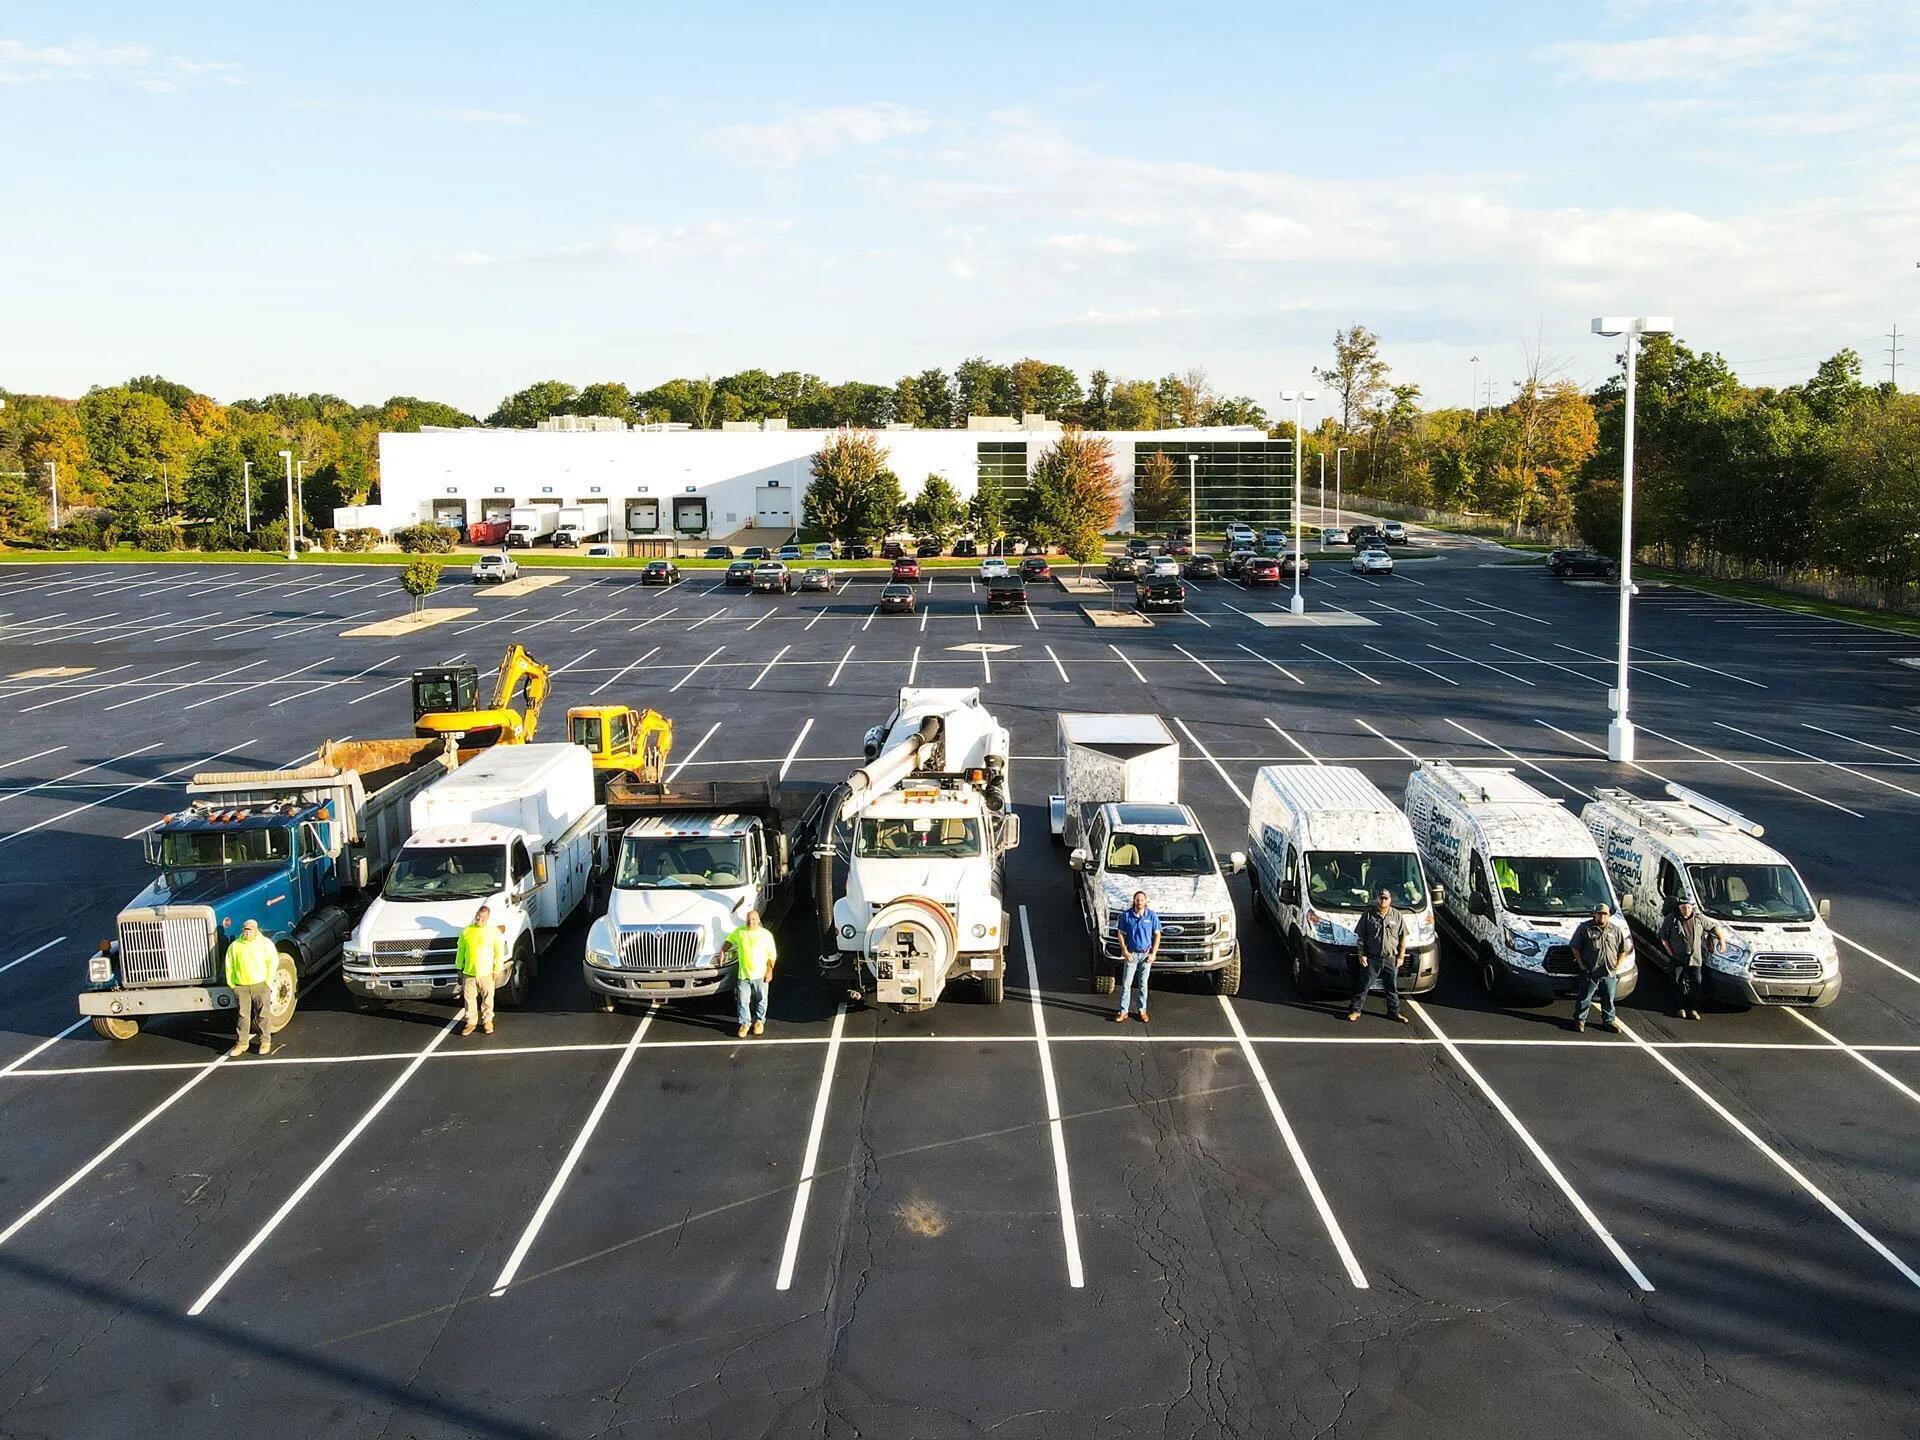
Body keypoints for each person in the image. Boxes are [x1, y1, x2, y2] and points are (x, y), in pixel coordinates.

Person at [1349, 888, 1410, 1024]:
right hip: (1372, 958)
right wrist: (1361, 954)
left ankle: (1394, 1012)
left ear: (1390, 900)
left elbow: (1403, 937)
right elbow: (1361, 937)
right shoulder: (1368, 915)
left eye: (1386, 898)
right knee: (1364, 985)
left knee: (1391, 988)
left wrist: (1401, 956)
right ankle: (1355, 1010)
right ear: (1377, 899)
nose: (1383, 901)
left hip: (1390, 959)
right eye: (1381, 898)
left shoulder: (1397, 915)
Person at [1569, 902, 1629, 1033]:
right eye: (1599, 914)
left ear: (1609, 916)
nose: (1602, 917)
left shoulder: (1616, 930)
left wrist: (1617, 967)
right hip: (1590, 971)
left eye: (1605, 914)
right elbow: (1575, 947)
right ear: (1594, 915)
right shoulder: (1585, 928)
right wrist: (1581, 964)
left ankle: (1608, 1021)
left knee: (1608, 999)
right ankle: (1580, 1021)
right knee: (1585, 998)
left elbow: (1622, 950)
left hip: (1608, 972)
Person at [225, 918, 280, 1058]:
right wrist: (232, 984)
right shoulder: (235, 946)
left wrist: (268, 982)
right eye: (245, 929)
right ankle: (242, 1043)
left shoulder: (265, 944)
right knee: (243, 1015)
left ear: (256, 930)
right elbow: (229, 965)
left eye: (250, 929)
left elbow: (273, 962)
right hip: (241, 986)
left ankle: (265, 1041)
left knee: (263, 1013)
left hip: (261, 984)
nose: (247, 932)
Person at [1660, 897, 1721, 1021]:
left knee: (1696, 983)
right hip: (1678, 958)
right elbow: (1663, 937)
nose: (1686, 910)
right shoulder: (1671, 919)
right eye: (1683, 908)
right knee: (1677, 982)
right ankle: (1680, 1008)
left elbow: (1714, 927)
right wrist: (1671, 953)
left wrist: (1722, 941)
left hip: (1695, 959)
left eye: (1688, 907)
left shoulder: (1699, 919)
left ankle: (1693, 1008)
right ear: (1679, 907)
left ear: (1692, 907)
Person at [723, 909, 777, 1038]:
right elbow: (729, 941)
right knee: (743, 1000)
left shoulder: (766, 935)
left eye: (753, 919)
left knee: (762, 999)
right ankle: (745, 1024)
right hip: (744, 975)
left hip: (760, 974)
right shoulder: (740, 932)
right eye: (748, 919)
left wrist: (769, 971)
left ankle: (759, 1021)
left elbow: (772, 955)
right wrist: (722, 951)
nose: (750, 922)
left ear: (758, 920)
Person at [455, 903, 506, 1036]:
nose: (479, 919)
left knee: (488, 998)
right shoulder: (466, 931)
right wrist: (459, 966)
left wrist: (497, 969)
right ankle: (471, 1022)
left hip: (487, 973)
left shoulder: (493, 931)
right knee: (469, 999)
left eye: (483, 918)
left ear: (487, 918)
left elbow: (499, 951)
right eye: (478, 916)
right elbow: (461, 950)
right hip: (469, 972)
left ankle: (487, 1021)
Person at [1113, 891, 1161, 1024]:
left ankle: (1142, 1010)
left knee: (1143, 984)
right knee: (1127, 983)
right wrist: (1124, 951)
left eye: (1141, 900)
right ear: (1134, 901)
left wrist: (1154, 953)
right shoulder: (1127, 916)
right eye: (1137, 900)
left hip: (1146, 955)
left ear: (1145, 901)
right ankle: (1123, 1011)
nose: (1139, 902)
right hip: (1132, 954)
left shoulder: (1151, 916)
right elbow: (1121, 934)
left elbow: (1157, 934)